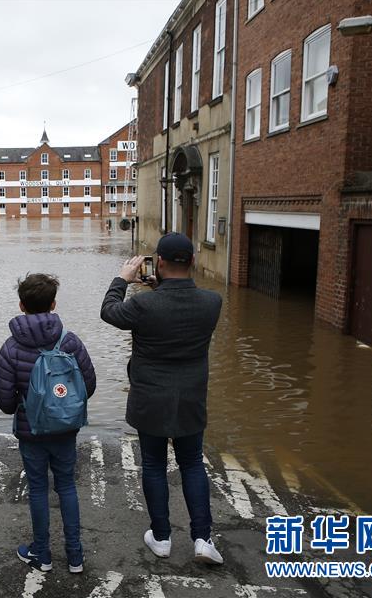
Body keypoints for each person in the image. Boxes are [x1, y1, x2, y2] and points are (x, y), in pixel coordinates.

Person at [100, 232, 224, 565]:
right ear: (193, 262)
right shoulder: (213, 303)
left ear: (162, 263)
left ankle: (162, 537)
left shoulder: (142, 305)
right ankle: (202, 539)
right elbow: (178, 310)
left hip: (150, 398)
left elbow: (109, 312)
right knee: (193, 464)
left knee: (154, 466)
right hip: (190, 399)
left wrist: (122, 279)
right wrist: (161, 288)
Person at [0, 273, 97, 574]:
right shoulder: (70, 342)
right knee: (66, 486)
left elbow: (3, 400)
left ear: (21, 305)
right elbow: (88, 385)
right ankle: (75, 556)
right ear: (53, 304)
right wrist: (65, 407)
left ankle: (42, 553)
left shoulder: (11, 348)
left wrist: (23, 406)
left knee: (38, 489)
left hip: (31, 431)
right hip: (66, 429)